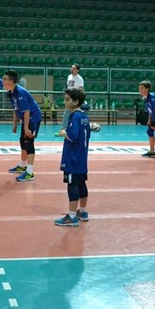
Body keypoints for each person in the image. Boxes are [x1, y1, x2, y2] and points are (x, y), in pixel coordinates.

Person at [55, 87, 91, 227]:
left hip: (73, 158)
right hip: (82, 157)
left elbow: (73, 135)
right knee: (81, 183)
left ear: (75, 102)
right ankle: (82, 211)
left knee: (72, 185)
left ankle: (71, 216)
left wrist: (64, 133)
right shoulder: (84, 117)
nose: (65, 102)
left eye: (67, 99)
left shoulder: (74, 116)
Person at [3, 69, 42, 182]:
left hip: (33, 117)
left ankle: (30, 172)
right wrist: (15, 123)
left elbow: (27, 111)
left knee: (28, 142)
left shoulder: (20, 92)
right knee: (22, 141)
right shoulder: (11, 93)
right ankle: (22, 165)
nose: (2, 81)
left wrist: (26, 128)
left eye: (4, 79)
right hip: (26, 118)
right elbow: (16, 108)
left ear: (11, 81)